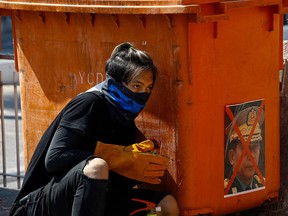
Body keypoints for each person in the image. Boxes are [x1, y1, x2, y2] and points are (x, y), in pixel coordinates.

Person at [10, 42, 180, 216]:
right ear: (116, 84)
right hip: (38, 205)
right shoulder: (89, 103)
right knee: (96, 166)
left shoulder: (126, 121)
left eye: (148, 88)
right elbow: (54, 158)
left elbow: (110, 183)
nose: (143, 94)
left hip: (93, 201)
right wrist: (112, 157)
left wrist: (133, 164)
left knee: (166, 206)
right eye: (136, 86)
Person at [224, 106, 265, 195]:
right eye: (246, 149)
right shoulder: (224, 191)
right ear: (232, 157)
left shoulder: (262, 185)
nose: (252, 156)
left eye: (255, 148)